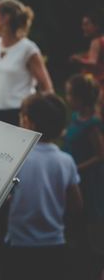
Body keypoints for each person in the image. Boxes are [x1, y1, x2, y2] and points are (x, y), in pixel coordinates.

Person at [3, 93, 82, 280]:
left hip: (20, 242)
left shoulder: (18, 158)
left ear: (29, 123)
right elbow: (77, 205)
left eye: (22, 116)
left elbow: (5, 198)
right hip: (54, 242)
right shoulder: (66, 161)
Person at [63, 74, 104, 223]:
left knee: (86, 209)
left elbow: (100, 155)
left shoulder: (93, 125)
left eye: (69, 94)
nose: (67, 98)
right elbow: (72, 132)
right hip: (73, 170)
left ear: (80, 99)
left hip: (86, 176)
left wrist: (76, 168)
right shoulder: (76, 115)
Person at [70, 11, 104, 113]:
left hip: (97, 85)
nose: (83, 27)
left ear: (96, 26)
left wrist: (77, 60)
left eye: (86, 24)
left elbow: (93, 62)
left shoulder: (96, 41)